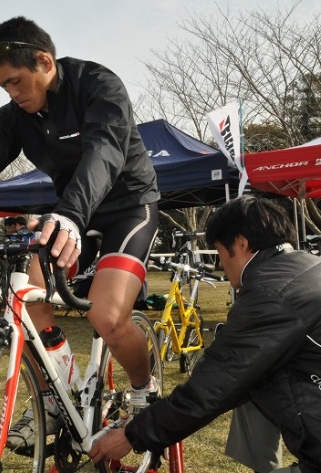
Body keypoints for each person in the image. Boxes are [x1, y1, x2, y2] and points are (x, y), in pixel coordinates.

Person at [0, 16, 160, 448]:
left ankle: (144, 393)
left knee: (107, 318)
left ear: (45, 61)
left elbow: (104, 150)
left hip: (126, 207)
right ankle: (64, 388)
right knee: (25, 296)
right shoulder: (14, 117)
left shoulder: (98, 85)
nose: (12, 94)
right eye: (3, 87)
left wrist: (72, 215)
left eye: (17, 81)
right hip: (71, 211)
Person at [90, 196, 321, 472]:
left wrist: (132, 435)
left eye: (220, 251)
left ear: (241, 243)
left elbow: (213, 386)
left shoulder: (270, 296)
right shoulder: (307, 266)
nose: (220, 264)